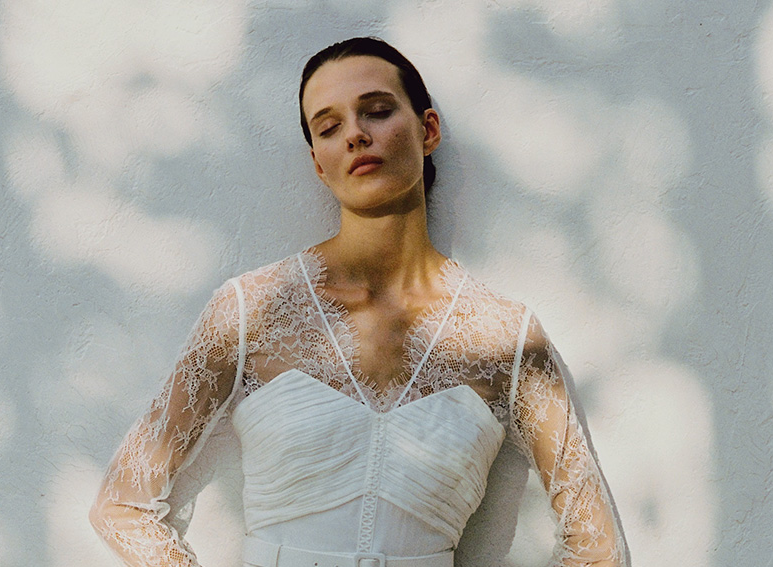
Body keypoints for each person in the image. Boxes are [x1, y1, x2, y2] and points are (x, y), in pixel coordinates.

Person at [89, 37, 628, 567]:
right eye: (329, 127)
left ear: (428, 130)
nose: (355, 135)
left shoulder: (507, 336)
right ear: (319, 164)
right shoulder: (250, 310)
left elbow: (597, 548)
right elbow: (122, 505)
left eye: (376, 111)